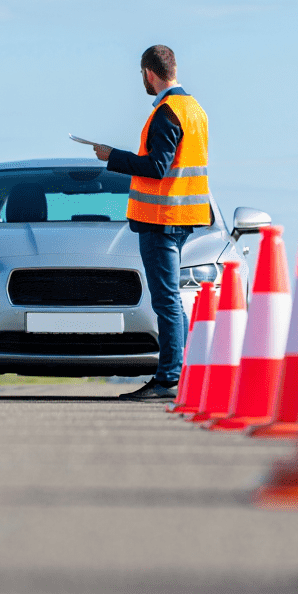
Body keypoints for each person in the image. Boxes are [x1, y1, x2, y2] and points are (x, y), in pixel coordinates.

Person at [93, 45, 211, 400]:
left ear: (149, 73)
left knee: (167, 301)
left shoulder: (167, 112)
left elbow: (156, 168)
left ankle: (169, 379)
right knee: (171, 300)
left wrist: (112, 157)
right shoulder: (195, 110)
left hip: (162, 218)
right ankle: (180, 374)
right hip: (184, 215)